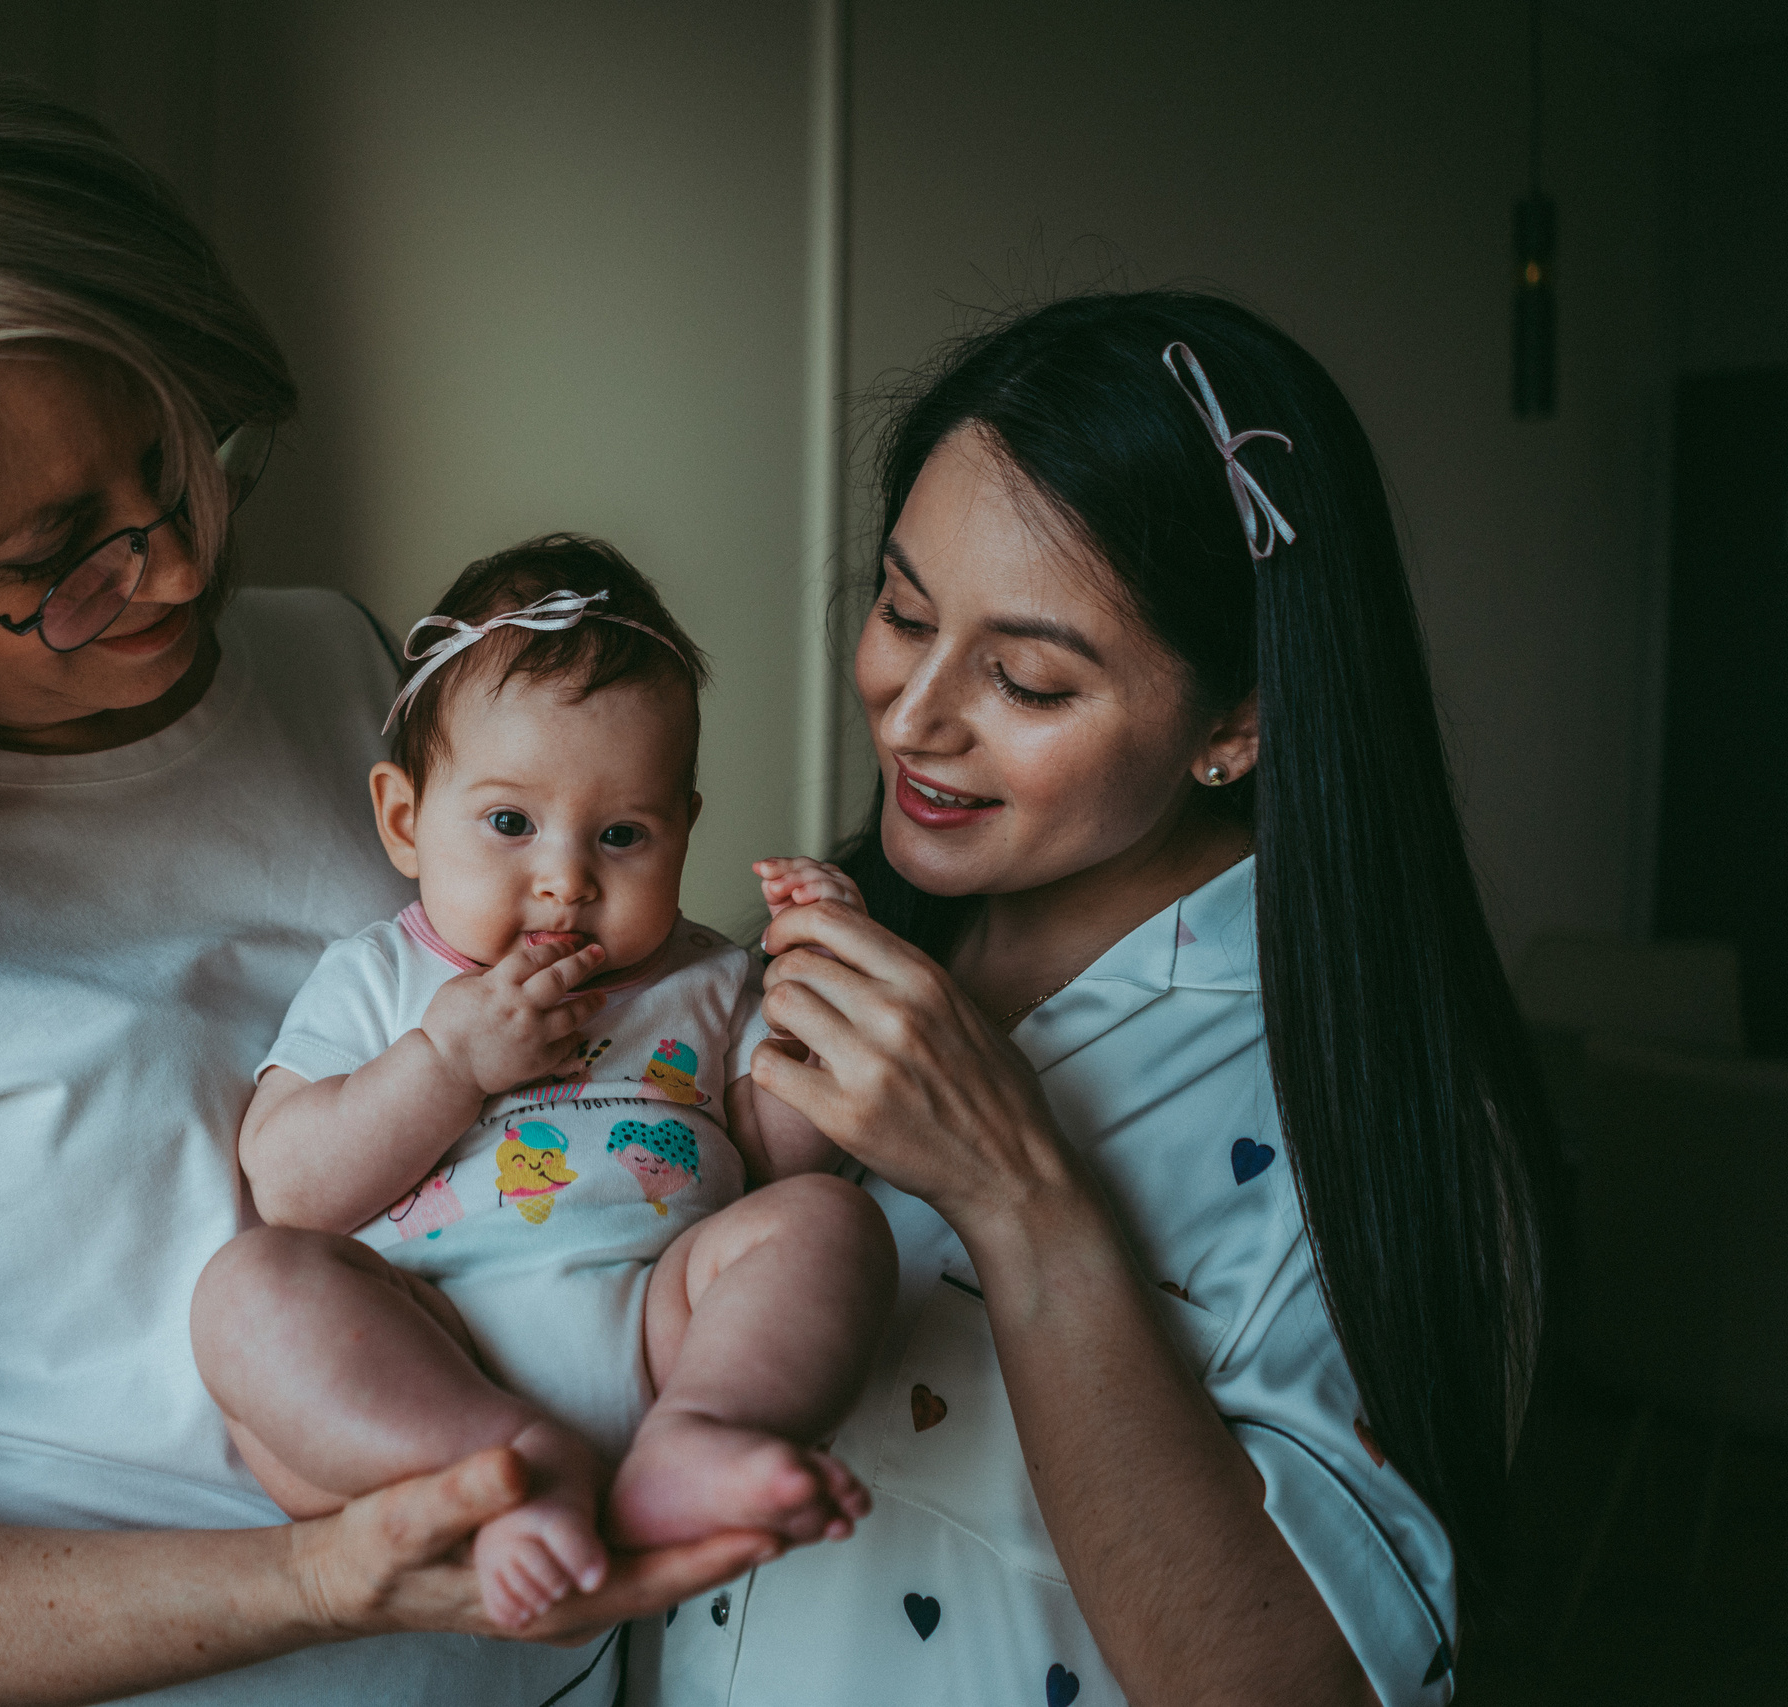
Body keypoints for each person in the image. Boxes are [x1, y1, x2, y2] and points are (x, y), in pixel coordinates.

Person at [0, 39, 775, 1707]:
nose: (186, 560)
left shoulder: (359, 670)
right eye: (63, 558)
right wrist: (318, 1575)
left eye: (185, 455)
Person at [651, 292, 1551, 1707]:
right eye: (901, 609)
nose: (913, 713)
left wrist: (1021, 1191)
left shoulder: (1374, 1105)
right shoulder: (796, 956)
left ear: (1235, 720)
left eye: (1025, 676)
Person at [190, 538, 894, 1631]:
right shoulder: (383, 976)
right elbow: (290, 1186)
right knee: (249, 1291)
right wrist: (448, 1064)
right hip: (432, 1351)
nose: (566, 879)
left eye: (621, 835)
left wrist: (816, 978)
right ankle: (504, 1471)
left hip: (665, 1333)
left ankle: (701, 1435)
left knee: (828, 1218)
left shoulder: (707, 977)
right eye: (510, 823)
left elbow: (784, 1158)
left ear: (683, 832)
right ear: (405, 820)